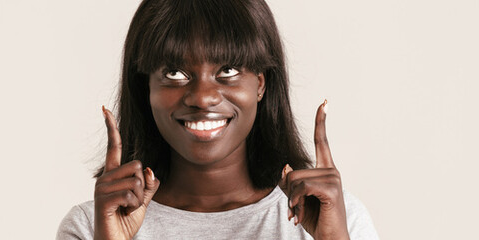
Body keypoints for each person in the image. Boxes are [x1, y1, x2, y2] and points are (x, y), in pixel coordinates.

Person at [57, 0, 379, 239]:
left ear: (261, 83)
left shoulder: (337, 219)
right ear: (146, 89)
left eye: (227, 70)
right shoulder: (91, 227)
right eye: (175, 73)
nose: (202, 97)